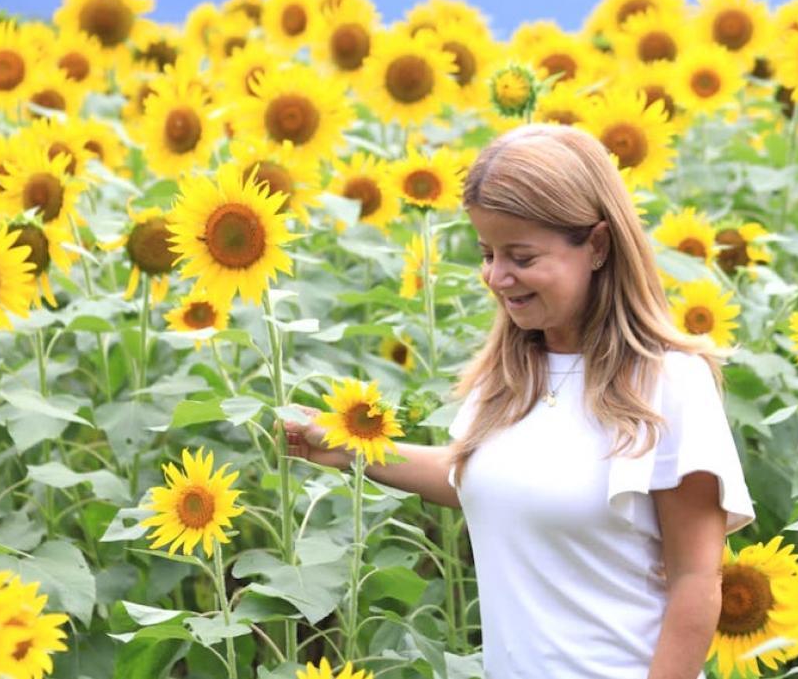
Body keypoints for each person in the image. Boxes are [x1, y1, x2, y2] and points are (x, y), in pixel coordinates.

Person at [283, 123, 755, 679]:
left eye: (522, 257)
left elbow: (696, 584)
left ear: (598, 245)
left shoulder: (667, 383)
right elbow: (478, 476)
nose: (497, 277)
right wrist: (350, 448)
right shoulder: (510, 375)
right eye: (487, 253)